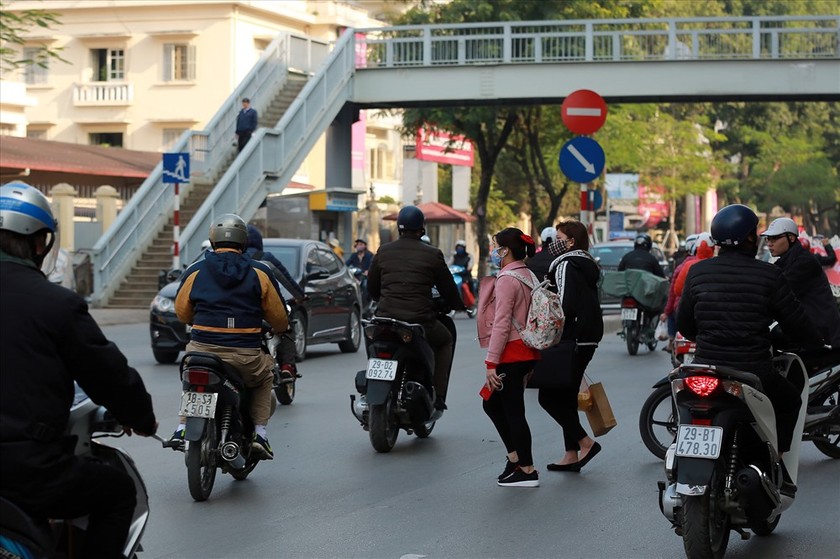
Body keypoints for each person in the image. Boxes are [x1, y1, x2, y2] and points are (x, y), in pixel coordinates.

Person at [0, 182, 158, 559]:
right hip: (26, 473)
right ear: (40, 243)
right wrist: (142, 419)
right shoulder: (56, 305)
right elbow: (111, 377)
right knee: (118, 493)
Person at [677, 205, 823, 487]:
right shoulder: (768, 275)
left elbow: (686, 325)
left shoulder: (698, 272)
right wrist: (814, 342)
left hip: (706, 367)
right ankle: (776, 462)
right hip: (752, 370)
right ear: (748, 239)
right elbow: (796, 322)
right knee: (790, 399)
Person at [169, 214, 288, 459]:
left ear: (212, 241)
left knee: (191, 375)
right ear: (243, 242)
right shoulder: (260, 272)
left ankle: (181, 428)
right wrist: (278, 328)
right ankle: (260, 434)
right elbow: (278, 317)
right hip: (245, 357)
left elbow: (181, 313)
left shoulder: (195, 270)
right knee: (265, 377)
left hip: (201, 351)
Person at [367, 205, 464, 410]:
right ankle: (438, 396)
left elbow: (372, 288)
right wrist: (457, 304)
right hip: (419, 321)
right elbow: (449, 289)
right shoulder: (432, 254)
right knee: (445, 340)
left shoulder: (383, 251)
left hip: (384, 320)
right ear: (422, 228)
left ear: (399, 228)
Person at [539, 219, 604, 473]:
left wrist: (551, 336)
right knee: (565, 396)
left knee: (548, 396)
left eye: (558, 238)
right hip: (587, 336)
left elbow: (563, 306)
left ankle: (585, 443)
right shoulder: (586, 263)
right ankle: (571, 453)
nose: (554, 244)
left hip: (572, 338)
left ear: (570, 241)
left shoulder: (566, 264)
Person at [479, 227, 541, 487]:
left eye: (496, 247)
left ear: (505, 250)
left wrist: (491, 362)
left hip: (512, 354)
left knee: (513, 410)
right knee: (492, 403)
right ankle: (516, 458)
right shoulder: (527, 274)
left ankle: (526, 469)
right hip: (527, 351)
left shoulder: (507, 279)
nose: (494, 251)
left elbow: (502, 323)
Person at [761, 217, 840, 347]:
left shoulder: (804, 262)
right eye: (768, 239)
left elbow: (777, 293)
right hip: (808, 329)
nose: (769, 243)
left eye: (774, 238)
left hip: (821, 334)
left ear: (791, 238)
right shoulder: (787, 261)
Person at [245, 224, 305, 378]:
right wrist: (300, 296)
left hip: (241, 310)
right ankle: (287, 366)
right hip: (266, 308)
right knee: (285, 327)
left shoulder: (236, 260)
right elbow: (287, 280)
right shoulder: (266, 259)